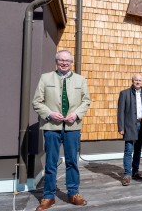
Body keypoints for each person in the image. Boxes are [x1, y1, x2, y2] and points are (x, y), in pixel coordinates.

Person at [32, 50, 91, 210]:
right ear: (56, 62)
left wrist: (76, 114)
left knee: (72, 161)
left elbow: (86, 101)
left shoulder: (80, 79)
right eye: (61, 60)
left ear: (71, 63)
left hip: (72, 127)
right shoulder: (46, 78)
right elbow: (37, 102)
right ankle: (48, 196)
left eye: (67, 61)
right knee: (51, 163)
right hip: (52, 127)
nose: (64, 63)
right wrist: (50, 114)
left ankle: (73, 193)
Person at [117, 74, 142, 186]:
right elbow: (120, 112)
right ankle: (127, 174)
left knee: (138, 150)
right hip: (129, 126)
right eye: (136, 80)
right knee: (128, 150)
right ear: (132, 81)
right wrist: (121, 127)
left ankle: (135, 172)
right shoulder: (124, 93)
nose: (138, 82)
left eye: (140, 80)